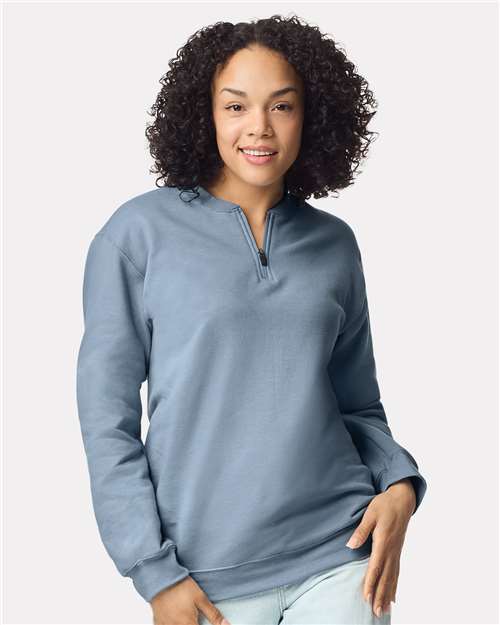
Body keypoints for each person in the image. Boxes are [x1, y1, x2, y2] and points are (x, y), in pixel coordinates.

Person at [76, 14, 427, 625]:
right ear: (204, 114)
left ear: (310, 116)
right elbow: (107, 422)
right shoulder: (136, 236)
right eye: (235, 106)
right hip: (203, 578)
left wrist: (399, 482)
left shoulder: (334, 244)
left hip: (341, 554)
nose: (259, 127)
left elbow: (357, 404)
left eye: (281, 106)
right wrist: (152, 571)